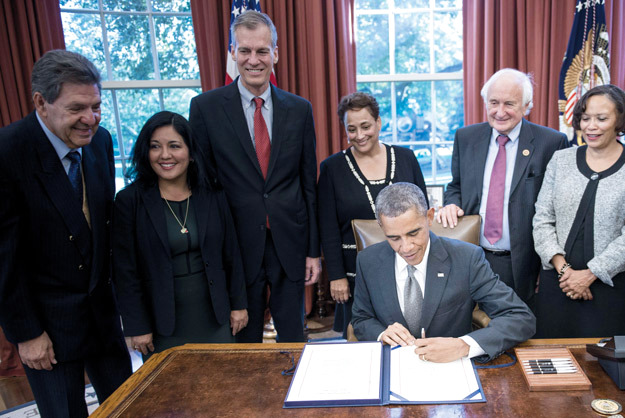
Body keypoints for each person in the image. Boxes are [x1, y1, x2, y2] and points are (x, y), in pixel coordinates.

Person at [0, 50, 132, 418]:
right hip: (48, 328)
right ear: (40, 102)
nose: (90, 119)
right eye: (77, 108)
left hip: (103, 317)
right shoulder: (8, 152)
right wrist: (27, 334)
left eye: (95, 106)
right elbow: (4, 258)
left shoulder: (101, 142)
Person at [189, 11, 319, 343]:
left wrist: (313, 250)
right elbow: (204, 185)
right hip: (236, 245)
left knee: (294, 339)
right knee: (244, 342)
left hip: (289, 242)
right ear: (233, 53)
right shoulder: (205, 108)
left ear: (275, 53)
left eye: (262, 51)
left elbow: (307, 184)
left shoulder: (300, 109)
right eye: (245, 51)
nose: (253, 60)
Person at [112, 111, 248, 357]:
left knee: (221, 387)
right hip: (161, 325)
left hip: (216, 317)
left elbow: (232, 254)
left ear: (191, 153)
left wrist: (239, 305)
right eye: (155, 147)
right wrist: (137, 325)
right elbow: (124, 272)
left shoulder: (213, 195)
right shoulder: (129, 201)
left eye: (174, 146)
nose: (165, 155)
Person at [352, 182, 535, 362]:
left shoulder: (466, 258)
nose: (406, 247)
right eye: (394, 238)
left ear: (430, 217)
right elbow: (361, 319)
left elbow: (520, 318)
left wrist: (465, 345)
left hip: (453, 368)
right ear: (382, 228)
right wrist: (381, 333)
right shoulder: (367, 261)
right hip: (391, 365)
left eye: (414, 233)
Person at [437, 68, 569, 312]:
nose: (500, 112)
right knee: (469, 325)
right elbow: (455, 185)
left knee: (518, 328)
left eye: (510, 103)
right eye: (494, 102)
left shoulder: (551, 142)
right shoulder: (466, 137)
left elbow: (559, 208)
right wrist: (451, 203)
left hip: (522, 262)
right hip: (472, 255)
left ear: (527, 105)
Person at [532, 85, 625, 338]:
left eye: (602, 118)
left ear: (620, 121)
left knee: (603, 365)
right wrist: (565, 271)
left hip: (610, 284)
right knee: (551, 358)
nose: (591, 126)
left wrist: (590, 275)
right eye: (586, 118)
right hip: (558, 280)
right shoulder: (560, 160)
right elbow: (542, 218)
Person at [318, 92, 427, 335]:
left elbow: (422, 211)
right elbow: (327, 227)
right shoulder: (332, 168)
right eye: (352, 129)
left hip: (407, 263)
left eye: (365, 126)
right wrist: (336, 276)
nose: (359, 135)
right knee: (362, 334)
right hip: (353, 270)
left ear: (379, 123)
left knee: (409, 331)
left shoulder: (406, 157)